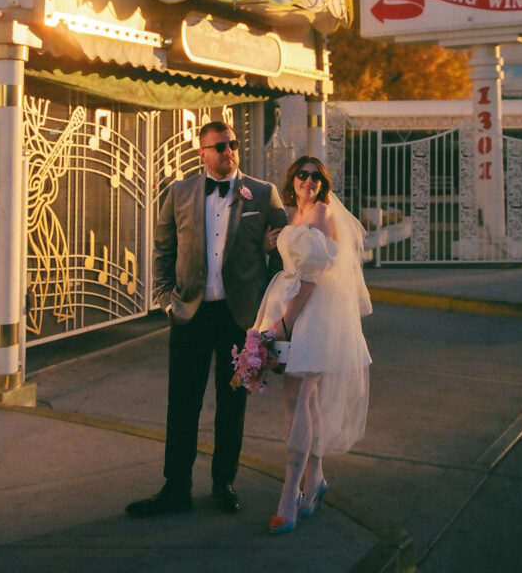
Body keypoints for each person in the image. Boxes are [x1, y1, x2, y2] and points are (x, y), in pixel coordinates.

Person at [125, 120, 286, 517]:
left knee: (231, 405)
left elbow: (286, 254)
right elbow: (162, 247)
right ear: (202, 153)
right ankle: (176, 487)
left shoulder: (263, 194)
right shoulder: (180, 192)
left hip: (239, 319)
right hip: (190, 315)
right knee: (182, 404)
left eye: (232, 144)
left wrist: (265, 305)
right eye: (219, 146)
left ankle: (223, 483)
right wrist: (165, 299)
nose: (228, 151)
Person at [254, 155, 372, 534]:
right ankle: (316, 479)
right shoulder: (295, 214)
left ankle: (289, 496)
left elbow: (309, 279)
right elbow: (295, 260)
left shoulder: (320, 213)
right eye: (303, 175)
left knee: (299, 397)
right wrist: (273, 244)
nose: (310, 182)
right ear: (293, 180)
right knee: (305, 399)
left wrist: (283, 325)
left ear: (323, 184)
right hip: (290, 303)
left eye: (317, 177)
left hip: (308, 311)